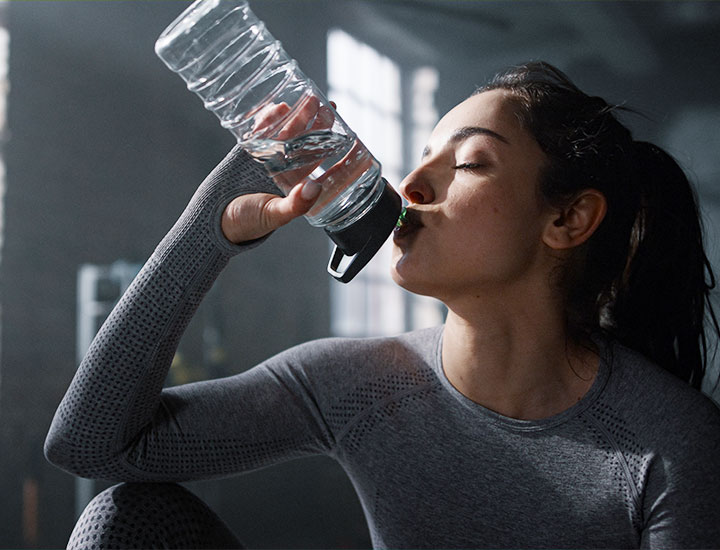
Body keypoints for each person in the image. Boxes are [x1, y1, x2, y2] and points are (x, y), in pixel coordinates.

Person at [45, 61, 720, 549]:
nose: (413, 184)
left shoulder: (671, 446)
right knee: (127, 518)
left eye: (470, 163)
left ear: (568, 220)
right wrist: (213, 229)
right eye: (424, 156)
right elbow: (92, 446)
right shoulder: (356, 384)